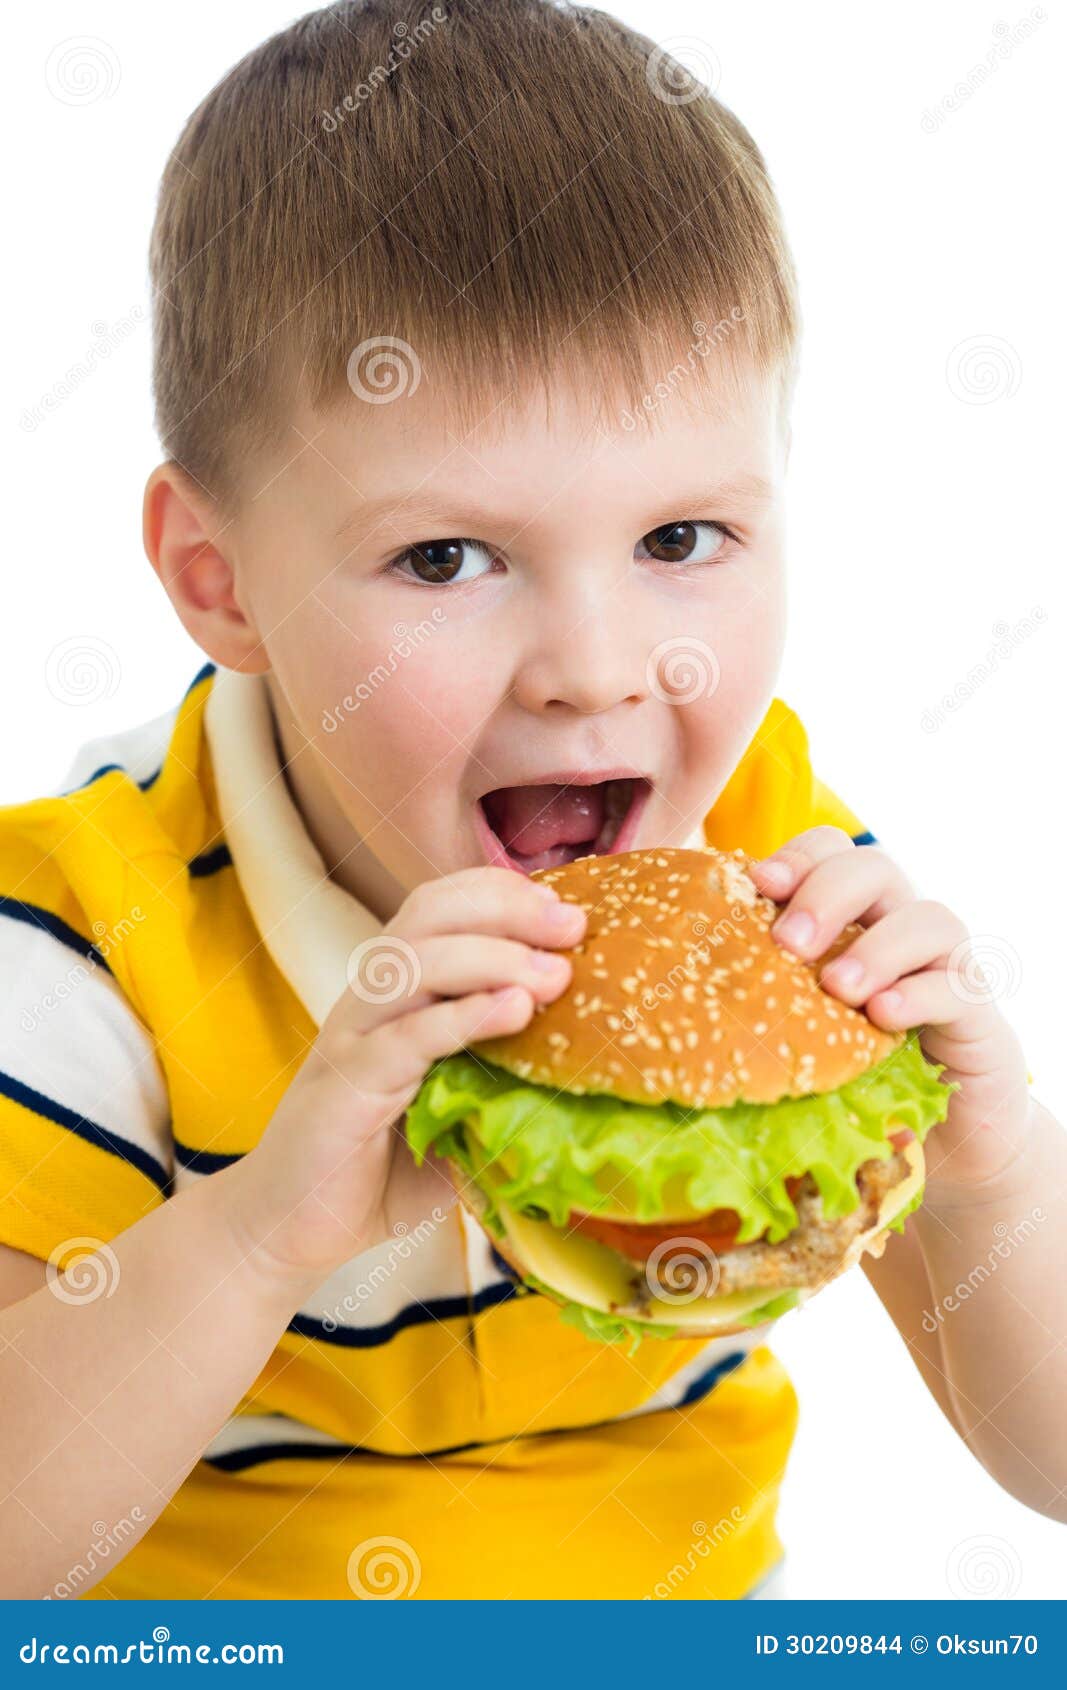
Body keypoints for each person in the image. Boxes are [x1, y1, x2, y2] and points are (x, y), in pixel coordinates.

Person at [1, 0, 1063, 1601]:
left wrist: (994, 1171)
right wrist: (262, 1233)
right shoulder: (84, 931)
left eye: (681, 539)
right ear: (220, 580)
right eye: (446, 558)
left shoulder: (771, 860)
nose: (595, 669)